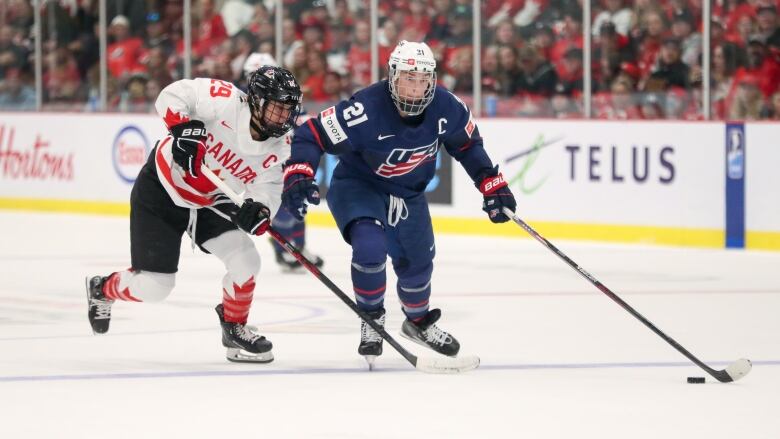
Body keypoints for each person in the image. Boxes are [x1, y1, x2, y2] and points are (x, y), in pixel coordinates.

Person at [281, 40, 517, 367]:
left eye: (423, 79)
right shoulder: (364, 109)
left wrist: (491, 182)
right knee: (369, 245)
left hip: (408, 192)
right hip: (360, 185)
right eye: (409, 77)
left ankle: (417, 321)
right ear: (392, 76)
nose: (416, 87)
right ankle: (372, 317)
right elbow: (312, 134)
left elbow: (467, 146)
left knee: (418, 263)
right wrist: (299, 171)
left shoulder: (448, 108)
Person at [85, 66, 303, 363]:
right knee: (155, 288)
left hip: (211, 203)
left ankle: (234, 328)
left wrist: (259, 209)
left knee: (247, 261)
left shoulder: (280, 147)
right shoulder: (223, 99)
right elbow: (172, 95)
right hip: (162, 190)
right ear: (257, 101)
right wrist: (181, 127)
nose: (284, 118)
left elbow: (268, 190)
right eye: (278, 109)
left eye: (289, 111)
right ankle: (103, 288)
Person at [241, 52, 325, 271]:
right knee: (280, 210)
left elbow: (304, 124)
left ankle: (299, 248)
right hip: (265, 163)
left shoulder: (288, 99)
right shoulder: (241, 104)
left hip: (285, 157)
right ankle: (283, 250)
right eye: (252, 75)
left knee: (297, 201)